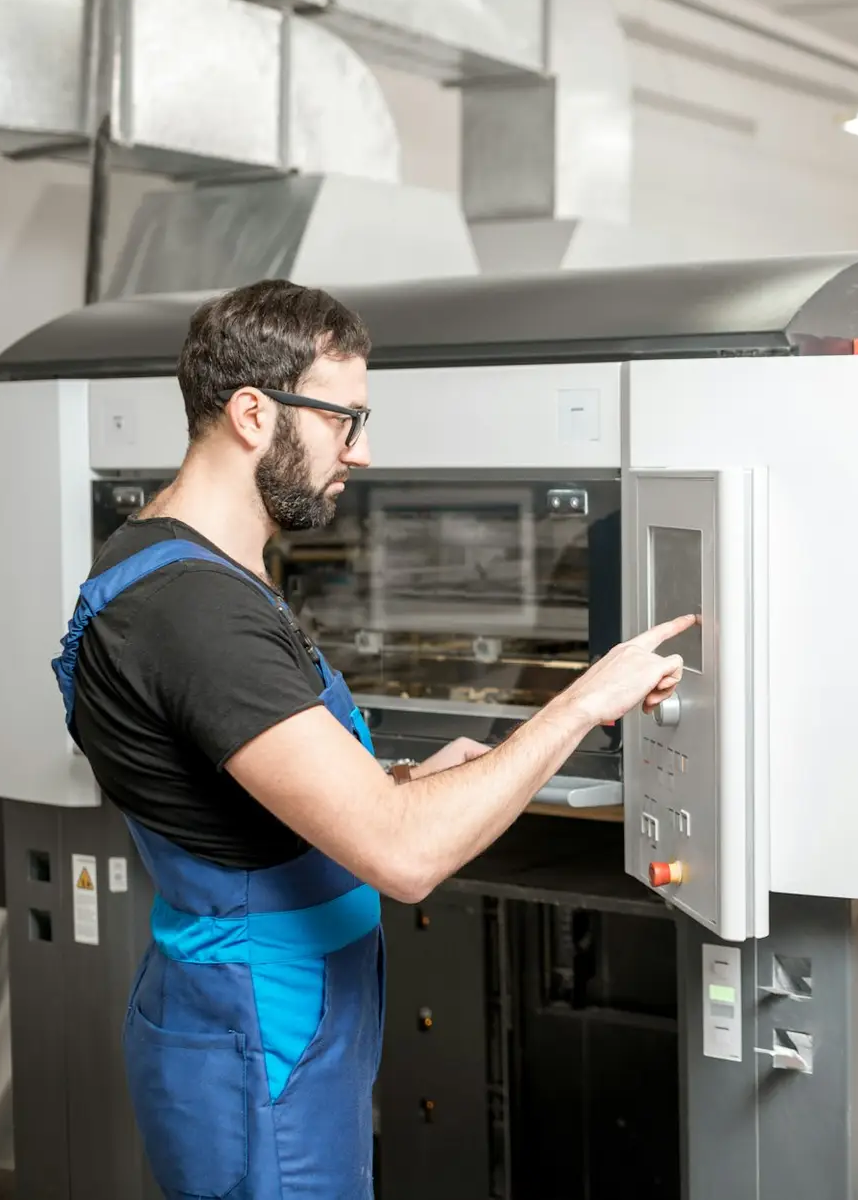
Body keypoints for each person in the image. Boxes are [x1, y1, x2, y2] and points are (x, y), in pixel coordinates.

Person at [49, 279, 691, 1199]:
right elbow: (404, 856)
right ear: (253, 414)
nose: (361, 451)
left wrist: (400, 779)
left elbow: (246, 791)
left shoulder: (163, 560)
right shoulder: (196, 611)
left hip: (250, 1013)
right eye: (343, 420)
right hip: (261, 1035)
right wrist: (584, 702)